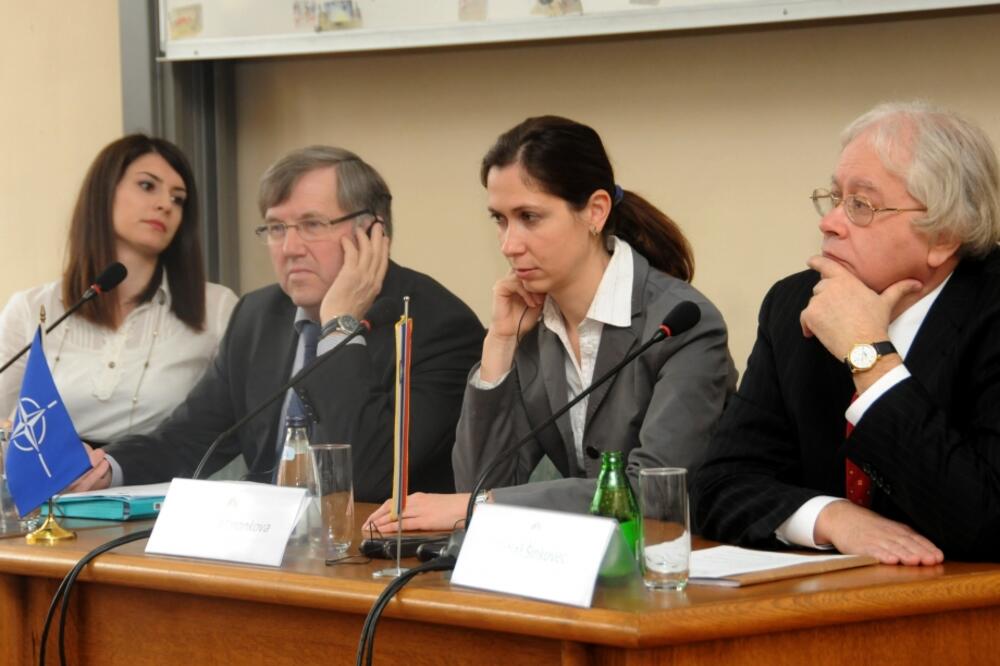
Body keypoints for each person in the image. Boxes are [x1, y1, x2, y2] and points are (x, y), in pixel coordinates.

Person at [367, 116, 736, 531]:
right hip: (577, 563)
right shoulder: (532, 324)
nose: (509, 244)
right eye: (500, 220)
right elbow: (479, 486)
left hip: (675, 563)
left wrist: (481, 504)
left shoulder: (682, 323)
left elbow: (653, 493)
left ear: (595, 211)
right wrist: (500, 345)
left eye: (530, 217)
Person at [70, 145, 484, 503]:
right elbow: (188, 439)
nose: (289, 248)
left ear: (372, 233)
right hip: (261, 544)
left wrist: (340, 326)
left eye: (311, 225)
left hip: (371, 557)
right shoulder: (257, 315)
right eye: (275, 228)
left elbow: (365, 475)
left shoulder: (438, 326)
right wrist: (109, 466)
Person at [692, 101, 1000, 565]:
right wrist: (831, 518)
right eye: (834, 198)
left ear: (943, 237)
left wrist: (868, 355)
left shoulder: (991, 309)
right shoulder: (795, 305)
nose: (829, 222)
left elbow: (986, 522)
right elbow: (718, 485)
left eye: (860, 205)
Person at [0, 134, 237, 442]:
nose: (165, 204)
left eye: (178, 198)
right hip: (50, 486)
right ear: (103, 192)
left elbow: (231, 433)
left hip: (165, 484)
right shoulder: (31, 309)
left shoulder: (218, 308)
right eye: (147, 186)